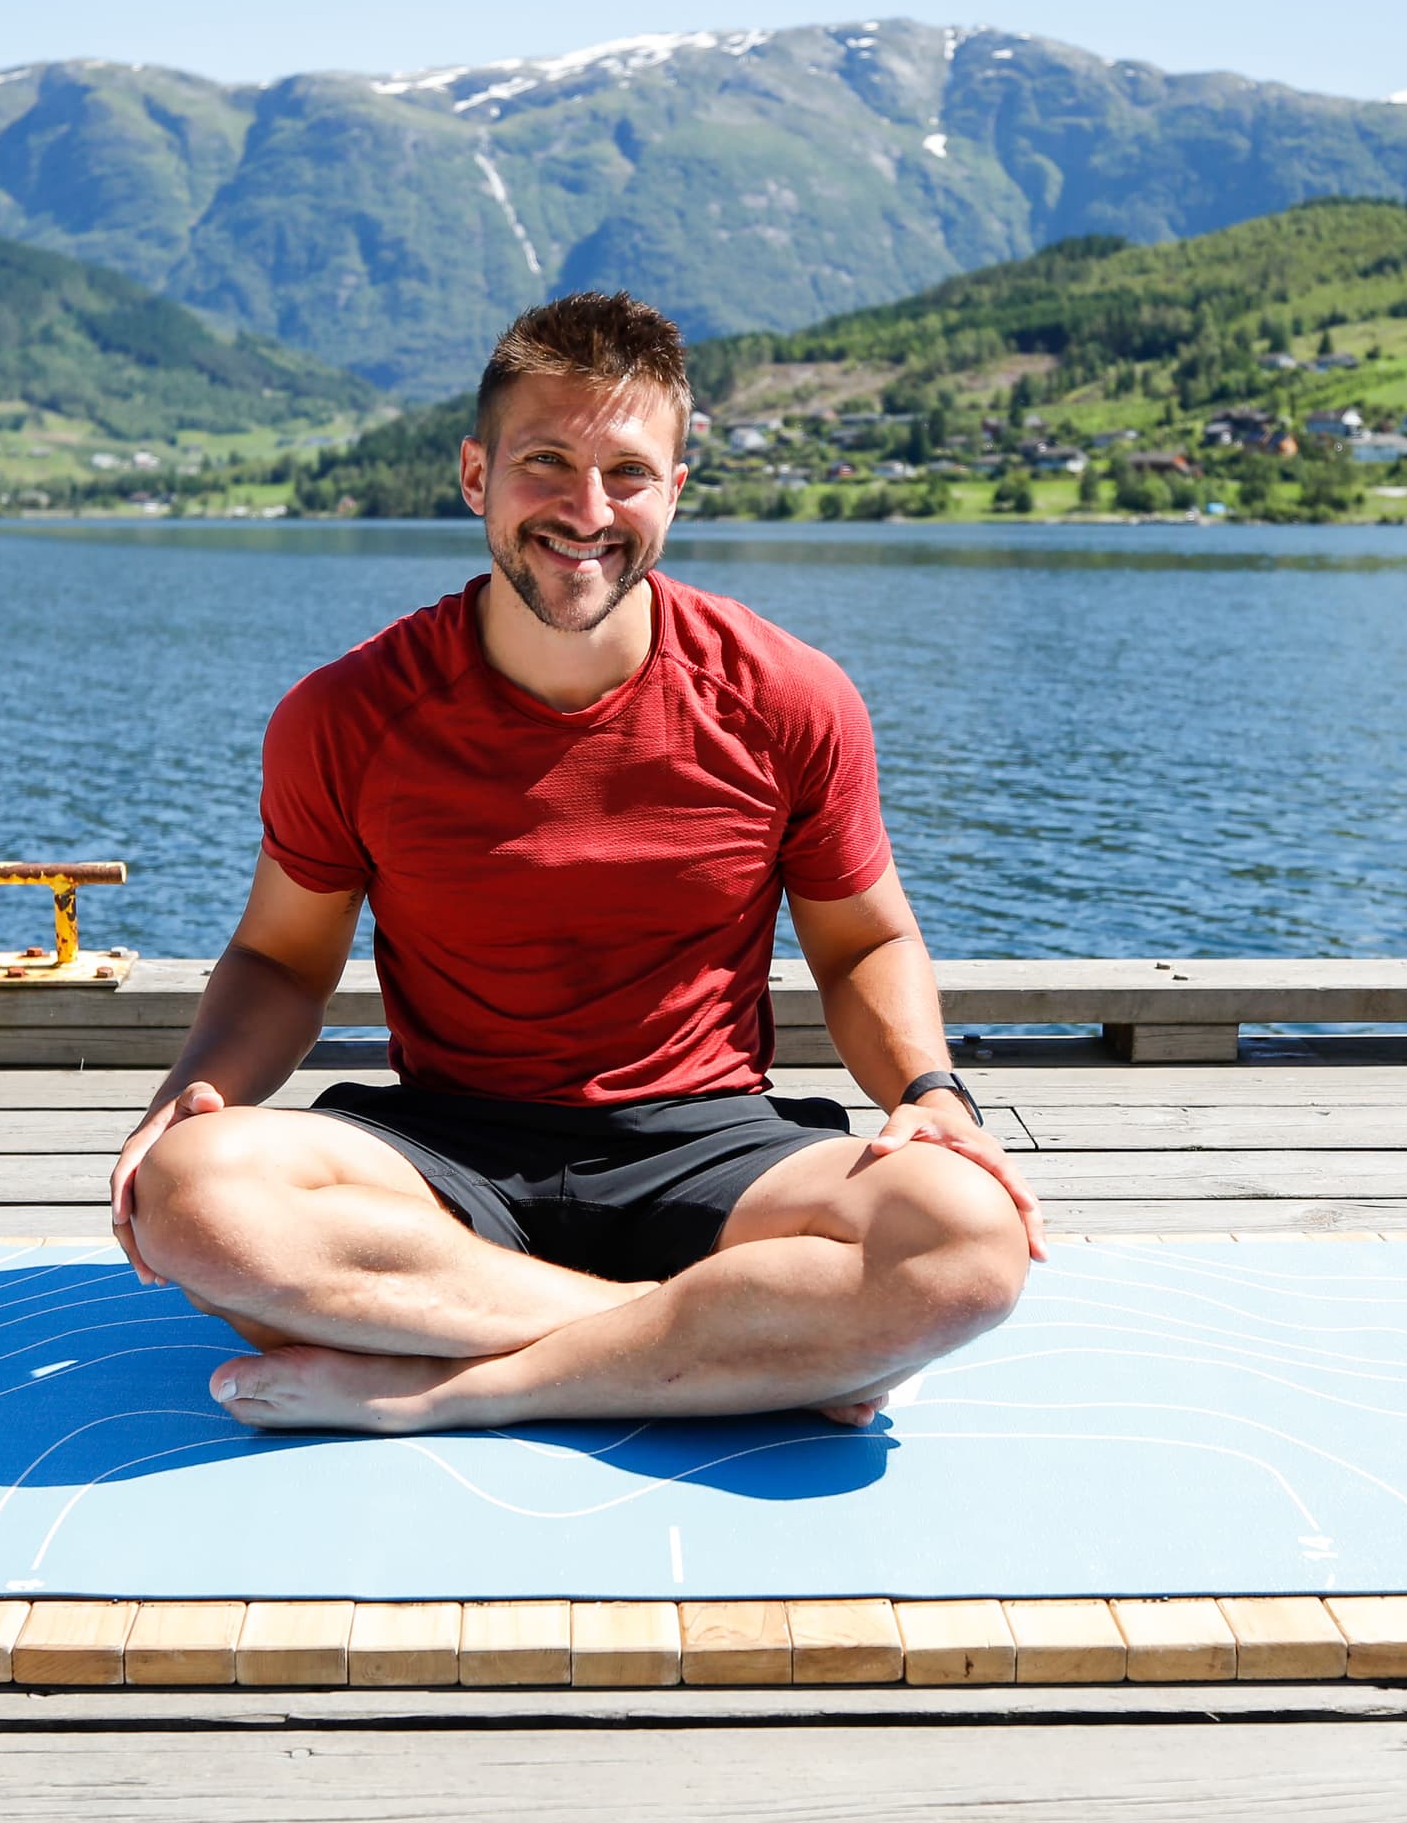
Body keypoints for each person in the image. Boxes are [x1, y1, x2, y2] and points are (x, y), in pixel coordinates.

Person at [110, 290, 1042, 1437]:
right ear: (473, 474)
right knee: (194, 1198)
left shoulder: (790, 697)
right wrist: (185, 1100)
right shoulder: (346, 713)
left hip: (709, 1144)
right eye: (545, 460)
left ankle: (458, 1383)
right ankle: (718, 1340)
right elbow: (280, 958)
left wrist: (928, 1092)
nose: (586, 510)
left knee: (966, 1237)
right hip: (444, 1151)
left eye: (629, 473)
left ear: (677, 491)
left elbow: (864, 941)